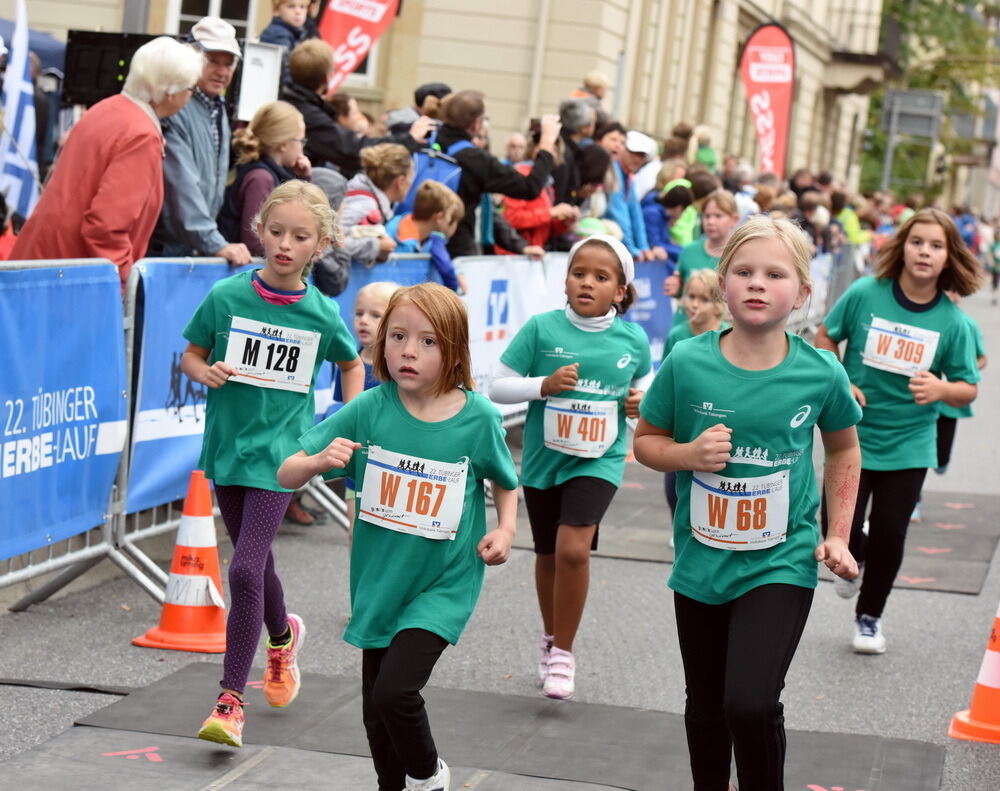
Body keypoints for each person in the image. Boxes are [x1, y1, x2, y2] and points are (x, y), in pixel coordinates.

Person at [634, 215, 863, 791]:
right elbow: (645, 442)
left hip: (780, 558)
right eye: (744, 271)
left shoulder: (820, 371)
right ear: (722, 282)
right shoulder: (687, 360)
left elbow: (843, 449)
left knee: (752, 703)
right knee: (707, 704)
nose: (757, 283)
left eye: (774, 273)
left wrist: (837, 533)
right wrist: (686, 454)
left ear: (803, 293)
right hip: (703, 558)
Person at [278, 282, 519, 791]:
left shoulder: (478, 417)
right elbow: (286, 471)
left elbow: (505, 478)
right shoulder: (369, 407)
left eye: (428, 342)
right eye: (399, 336)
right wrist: (319, 462)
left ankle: (430, 776)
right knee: (375, 717)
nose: (409, 351)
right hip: (380, 579)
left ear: (454, 352)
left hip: (444, 581)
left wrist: (505, 528)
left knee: (394, 694)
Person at [184, 180, 364, 748]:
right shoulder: (227, 298)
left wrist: (341, 421)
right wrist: (204, 371)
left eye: (300, 236)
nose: (285, 244)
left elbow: (352, 365)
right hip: (229, 449)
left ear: (322, 244)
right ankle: (283, 639)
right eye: (277, 232)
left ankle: (231, 700)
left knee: (240, 569)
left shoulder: (321, 311)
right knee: (256, 568)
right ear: (259, 231)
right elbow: (191, 353)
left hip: (285, 457)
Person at [489, 235, 653, 700]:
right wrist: (542, 385)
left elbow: (645, 384)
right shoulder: (542, 330)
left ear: (620, 291)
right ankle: (550, 635)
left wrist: (643, 403)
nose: (587, 283)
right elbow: (496, 386)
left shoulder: (632, 338)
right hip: (545, 460)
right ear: (565, 280)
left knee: (573, 549)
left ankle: (564, 651)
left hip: (599, 459)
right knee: (547, 555)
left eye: (601, 277)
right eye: (579, 273)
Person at [814, 207, 982, 654]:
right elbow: (825, 338)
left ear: (949, 257)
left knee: (892, 531)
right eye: (917, 242)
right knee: (835, 525)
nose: (924, 252)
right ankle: (856, 559)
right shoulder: (866, 293)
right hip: (852, 436)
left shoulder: (953, 322)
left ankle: (869, 617)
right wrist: (843, 380)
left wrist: (942, 387)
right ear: (902, 247)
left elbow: (969, 388)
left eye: (936, 245)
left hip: (910, 441)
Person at [10, 37, 204, 288]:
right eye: (191, 89)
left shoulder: (107, 109)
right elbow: (106, 227)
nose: (191, 96)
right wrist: (123, 284)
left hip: (46, 266)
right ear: (169, 92)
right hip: (70, 281)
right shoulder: (141, 135)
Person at [149, 18, 251, 266]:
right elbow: (181, 185)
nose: (222, 71)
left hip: (193, 248)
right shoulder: (175, 107)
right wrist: (215, 243)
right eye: (212, 60)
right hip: (166, 252)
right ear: (190, 58)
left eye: (229, 63)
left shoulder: (217, 107)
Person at [281, 40, 433, 179]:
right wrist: (409, 139)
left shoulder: (295, 101)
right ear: (327, 77)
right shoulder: (307, 114)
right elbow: (352, 150)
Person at [433, 91, 561, 256]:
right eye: (486, 119)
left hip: (424, 242)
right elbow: (530, 187)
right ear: (476, 124)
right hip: (456, 250)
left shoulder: (427, 140)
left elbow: (490, 214)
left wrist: (520, 246)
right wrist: (546, 144)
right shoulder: (474, 158)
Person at [660, 268, 728, 531]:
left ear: (719, 304)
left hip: (714, 418)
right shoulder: (678, 335)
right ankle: (678, 525)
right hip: (682, 423)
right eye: (690, 297)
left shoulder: (728, 335)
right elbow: (666, 381)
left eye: (703, 299)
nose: (694, 304)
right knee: (673, 480)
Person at [330, 281, 400, 534]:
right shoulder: (349, 363)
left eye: (375, 315)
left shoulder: (402, 368)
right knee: (356, 536)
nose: (363, 321)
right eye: (359, 313)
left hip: (394, 470)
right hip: (358, 471)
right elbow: (344, 411)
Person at [217, 101, 311, 255]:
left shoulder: (268, 173)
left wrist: (303, 179)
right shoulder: (261, 178)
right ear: (283, 144)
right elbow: (255, 240)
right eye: (301, 141)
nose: (302, 147)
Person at [664, 189, 740, 315]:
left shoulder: (739, 255)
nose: (710, 221)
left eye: (718, 216)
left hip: (720, 329)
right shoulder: (689, 251)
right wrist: (675, 288)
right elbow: (681, 288)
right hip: (685, 328)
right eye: (707, 215)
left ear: (734, 219)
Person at [340, 143, 414, 267]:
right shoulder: (365, 204)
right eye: (411, 177)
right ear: (400, 181)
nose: (411, 183)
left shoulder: (366, 199)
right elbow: (332, 242)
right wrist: (377, 246)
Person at [385, 180, 465, 292]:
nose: (455, 226)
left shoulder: (432, 238)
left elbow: (446, 265)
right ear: (440, 217)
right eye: (453, 219)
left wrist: (457, 273)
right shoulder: (400, 234)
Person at [259, 0, 309, 85]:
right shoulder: (278, 35)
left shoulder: (293, 33)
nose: (298, 11)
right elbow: (284, 75)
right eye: (291, 6)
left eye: (302, 7)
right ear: (276, 10)